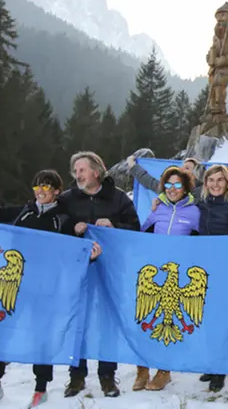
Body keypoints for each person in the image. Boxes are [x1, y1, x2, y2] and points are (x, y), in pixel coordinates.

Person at [0, 170, 101, 409]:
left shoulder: (65, 219)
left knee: (41, 336)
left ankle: (41, 388)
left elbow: (76, 253)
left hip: (46, 287)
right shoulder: (24, 211)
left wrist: (90, 257)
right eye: (37, 186)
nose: (41, 191)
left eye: (47, 186)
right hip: (14, 285)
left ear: (57, 191)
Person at [61, 151, 139, 398]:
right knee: (78, 322)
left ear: (96, 172)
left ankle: (107, 376)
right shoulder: (67, 199)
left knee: (107, 323)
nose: (77, 175)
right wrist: (71, 228)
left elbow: (135, 230)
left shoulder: (118, 199)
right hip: (77, 270)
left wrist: (115, 227)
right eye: (75, 171)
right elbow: (56, 226)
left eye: (81, 170)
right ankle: (76, 376)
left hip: (110, 269)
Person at [134, 166, 201, 392]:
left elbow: (201, 243)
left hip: (178, 275)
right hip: (155, 272)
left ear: (185, 188)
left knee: (168, 323)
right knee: (144, 319)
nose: (173, 189)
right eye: (169, 185)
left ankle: (164, 371)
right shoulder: (158, 209)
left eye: (177, 185)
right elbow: (142, 235)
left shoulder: (194, 212)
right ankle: (141, 369)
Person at [195, 164, 228, 391]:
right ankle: (210, 363)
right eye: (211, 180)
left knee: (222, 321)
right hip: (203, 271)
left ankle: (220, 369)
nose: (215, 184)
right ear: (205, 183)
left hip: (226, 271)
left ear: (227, 183)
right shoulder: (199, 206)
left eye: (220, 180)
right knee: (207, 321)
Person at [127, 156, 228, 200]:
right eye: (182, 167)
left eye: (187, 168)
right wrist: (133, 166)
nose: (182, 170)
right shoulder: (173, 189)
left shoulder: (208, 189)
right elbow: (150, 182)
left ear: (196, 173)